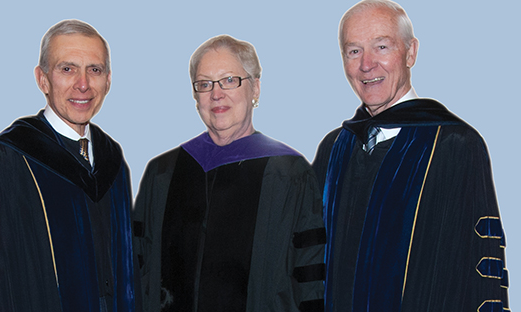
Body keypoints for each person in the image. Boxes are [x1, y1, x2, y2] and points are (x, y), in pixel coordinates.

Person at [312, 1, 510, 311]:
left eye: (381, 47)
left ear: (411, 52)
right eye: (354, 51)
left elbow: (480, 270)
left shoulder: (454, 145)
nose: (367, 64)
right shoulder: (333, 149)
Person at [0, 19, 140, 311]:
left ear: (108, 80)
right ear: (43, 79)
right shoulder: (5, 158)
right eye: (67, 69)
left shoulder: (112, 159)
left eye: (95, 70)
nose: (83, 84)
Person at [133, 35, 326, 311]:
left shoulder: (289, 175)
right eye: (204, 84)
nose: (216, 94)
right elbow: (140, 272)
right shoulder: (162, 173)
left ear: (255, 88)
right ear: (195, 95)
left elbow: (311, 279)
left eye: (229, 80)